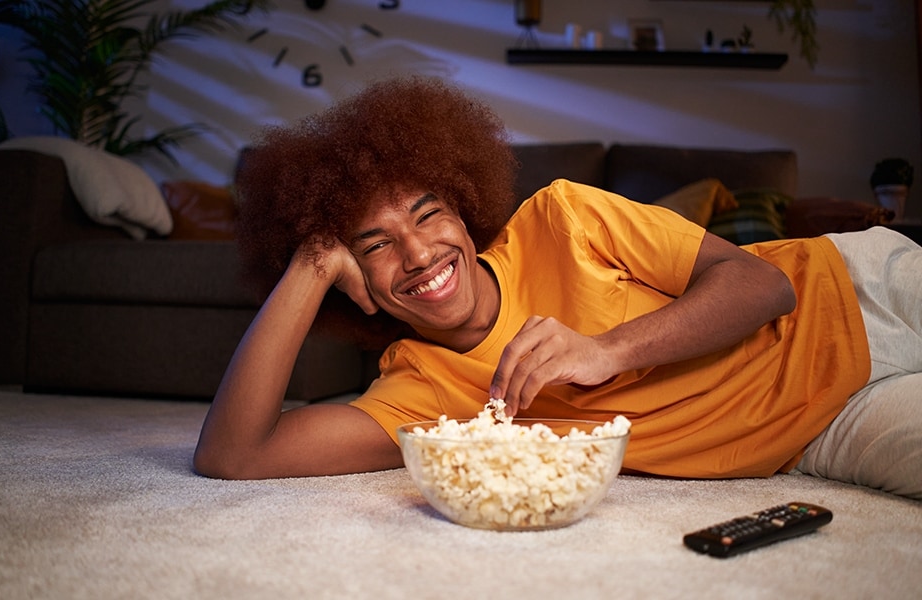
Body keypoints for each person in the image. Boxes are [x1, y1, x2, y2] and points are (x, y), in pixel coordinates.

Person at [193, 76, 922, 500]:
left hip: (852, 286)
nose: (417, 254)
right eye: (373, 246)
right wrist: (313, 261)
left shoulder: (563, 217)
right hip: (819, 432)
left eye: (427, 215)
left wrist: (606, 350)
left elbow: (761, 286)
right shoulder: (420, 392)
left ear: (465, 210)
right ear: (361, 286)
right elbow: (234, 456)